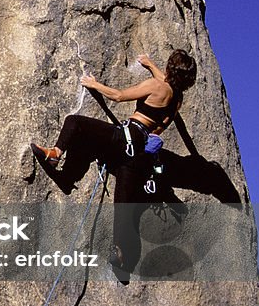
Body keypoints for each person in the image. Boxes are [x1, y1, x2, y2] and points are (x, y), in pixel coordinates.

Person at [31, 49, 198, 280]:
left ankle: (56, 153)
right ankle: (121, 258)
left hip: (124, 139)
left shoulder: (155, 86)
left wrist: (94, 84)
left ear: (170, 70)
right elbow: (168, 82)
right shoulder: (176, 99)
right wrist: (150, 64)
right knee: (123, 208)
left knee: (75, 123)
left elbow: (119, 96)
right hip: (138, 157)